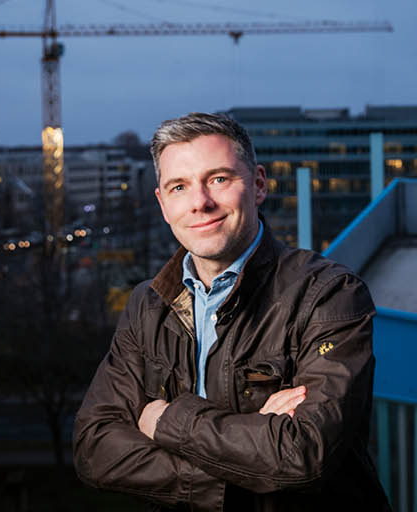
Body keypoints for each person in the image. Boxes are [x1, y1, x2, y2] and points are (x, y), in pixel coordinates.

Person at [72, 112, 390, 511]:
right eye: (179, 187)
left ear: (258, 184)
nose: (200, 203)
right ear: (162, 205)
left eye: (219, 179)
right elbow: (94, 445)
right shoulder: (148, 305)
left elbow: (302, 454)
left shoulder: (328, 295)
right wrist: (241, 468)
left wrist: (161, 419)